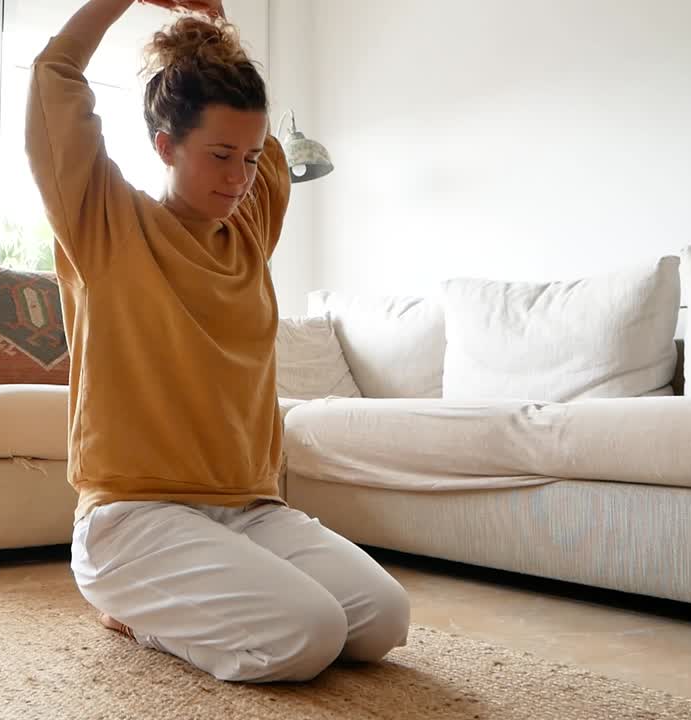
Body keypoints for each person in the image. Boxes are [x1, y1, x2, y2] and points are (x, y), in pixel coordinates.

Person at [25, 0, 410, 684]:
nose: (238, 178)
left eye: (253, 156)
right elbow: (56, 73)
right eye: (221, 155)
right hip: (133, 517)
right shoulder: (104, 223)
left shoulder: (251, 228)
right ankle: (136, 609)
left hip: (248, 508)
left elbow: (246, 126)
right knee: (309, 634)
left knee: (383, 621)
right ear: (166, 146)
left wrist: (218, 23)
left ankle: (185, 602)